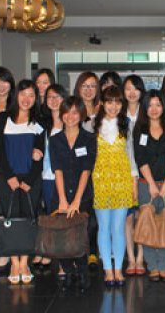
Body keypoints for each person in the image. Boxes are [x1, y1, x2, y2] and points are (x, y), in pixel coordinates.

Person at [0, 79, 44, 285]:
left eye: (31, 95)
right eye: (23, 94)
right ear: (16, 95)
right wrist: (10, 177)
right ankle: (14, 262)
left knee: (29, 218)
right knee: (11, 217)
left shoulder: (39, 121)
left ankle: (25, 262)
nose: (27, 99)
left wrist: (29, 180)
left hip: (31, 180)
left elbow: (41, 154)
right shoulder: (2, 118)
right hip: (7, 178)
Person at [49, 96, 97, 291]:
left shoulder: (89, 138)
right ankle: (68, 271)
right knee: (62, 236)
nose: (70, 116)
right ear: (62, 114)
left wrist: (76, 200)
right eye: (67, 112)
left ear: (81, 115)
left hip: (83, 195)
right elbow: (57, 170)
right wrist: (62, 200)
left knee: (81, 234)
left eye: (75, 112)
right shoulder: (55, 139)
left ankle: (82, 270)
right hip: (60, 193)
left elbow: (87, 170)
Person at [134, 89, 165, 282]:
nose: (154, 109)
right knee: (148, 223)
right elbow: (140, 158)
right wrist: (151, 183)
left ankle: (164, 265)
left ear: (164, 107)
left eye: (158, 105)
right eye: (150, 105)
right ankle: (152, 265)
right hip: (146, 183)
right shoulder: (139, 130)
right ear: (145, 108)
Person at [93, 86, 134, 286]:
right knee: (104, 227)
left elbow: (132, 156)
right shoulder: (91, 125)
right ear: (102, 103)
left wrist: (134, 182)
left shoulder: (127, 124)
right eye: (109, 102)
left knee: (118, 228)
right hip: (100, 182)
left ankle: (118, 269)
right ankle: (107, 271)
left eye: (117, 102)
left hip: (122, 181)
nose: (113, 106)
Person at [33, 84, 67, 270]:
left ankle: (63, 258)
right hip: (46, 177)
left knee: (63, 217)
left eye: (58, 97)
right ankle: (47, 250)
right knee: (49, 215)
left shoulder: (69, 121)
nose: (54, 101)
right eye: (50, 97)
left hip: (66, 178)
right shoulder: (42, 123)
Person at [0, 66, 16, 274]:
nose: (1, 85)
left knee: (6, 210)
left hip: (5, 167)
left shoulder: (15, 108)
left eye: (4, 80)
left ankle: (8, 252)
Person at [73, 71, 100, 267]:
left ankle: (93, 250)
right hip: (79, 169)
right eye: (85, 86)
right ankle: (77, 249)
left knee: (97, 213)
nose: (89, 90)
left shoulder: (103, 110)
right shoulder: (73, 110)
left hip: (101, 169)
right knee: (82, 210)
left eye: (92, 86)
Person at [123, 75, 146, 276]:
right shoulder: (117, 114)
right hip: (123, 175)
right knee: (128, 218)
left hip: (145, 174)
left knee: (142, 217)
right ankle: (131, 259)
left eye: (135, 88)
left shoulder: (147, 113)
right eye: (128, 88)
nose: (132, 92)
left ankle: (141, 257)